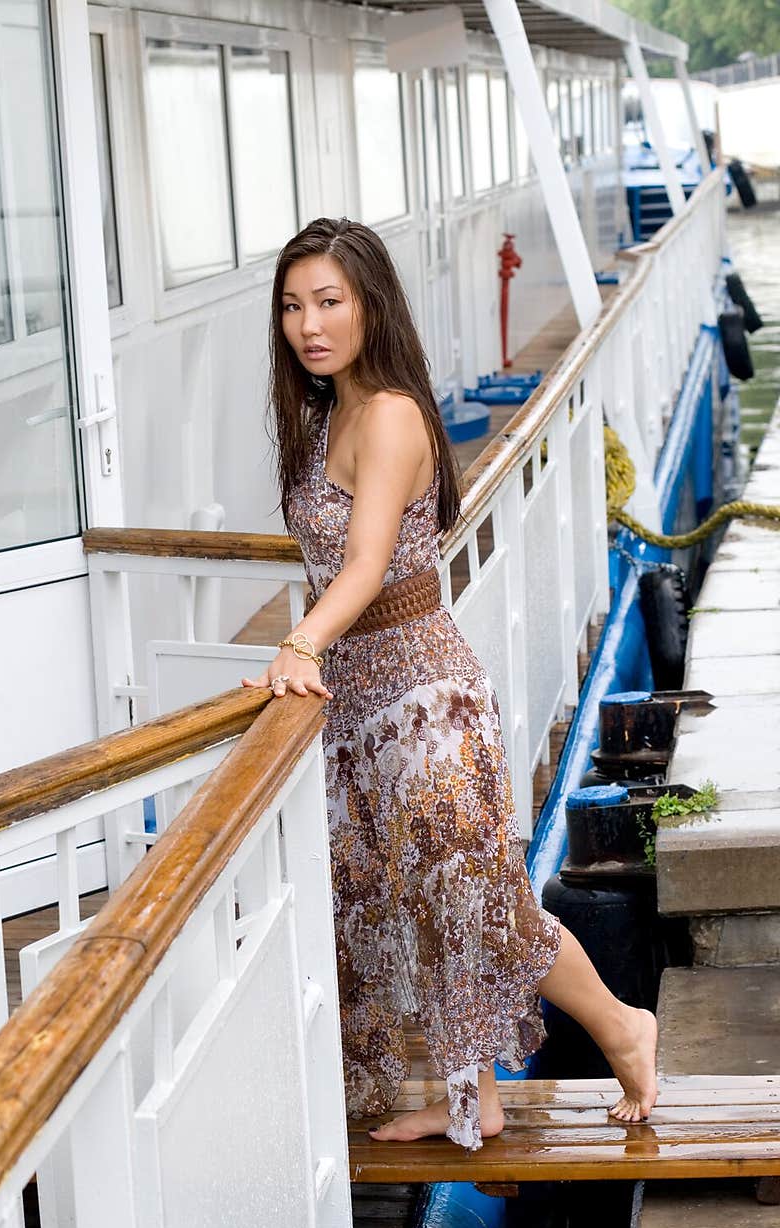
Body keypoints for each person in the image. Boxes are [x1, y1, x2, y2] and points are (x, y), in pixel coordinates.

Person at [242, 217, 657, 1151]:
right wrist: (317, 657)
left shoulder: (387, 412)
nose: (308, 324)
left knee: (479, 904)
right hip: (365, 706)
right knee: (437, 908)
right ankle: (482, 1097)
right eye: (292, 306)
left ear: (371, 304)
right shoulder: (330, 414)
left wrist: (299, 644)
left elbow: (363, 565)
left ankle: (624, 1027)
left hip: (424, 701)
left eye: (329, 302)